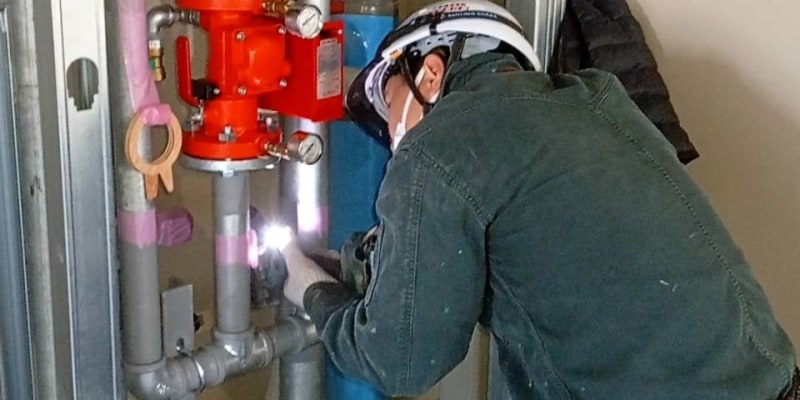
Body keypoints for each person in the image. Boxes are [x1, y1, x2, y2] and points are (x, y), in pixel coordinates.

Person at [278, 1, 799, 398]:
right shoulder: (597, 101)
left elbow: (398, 360)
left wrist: (313, 293)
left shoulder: (438, 145)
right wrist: (349, 266)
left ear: (431, 72)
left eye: (390, 106)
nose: (393, 137)